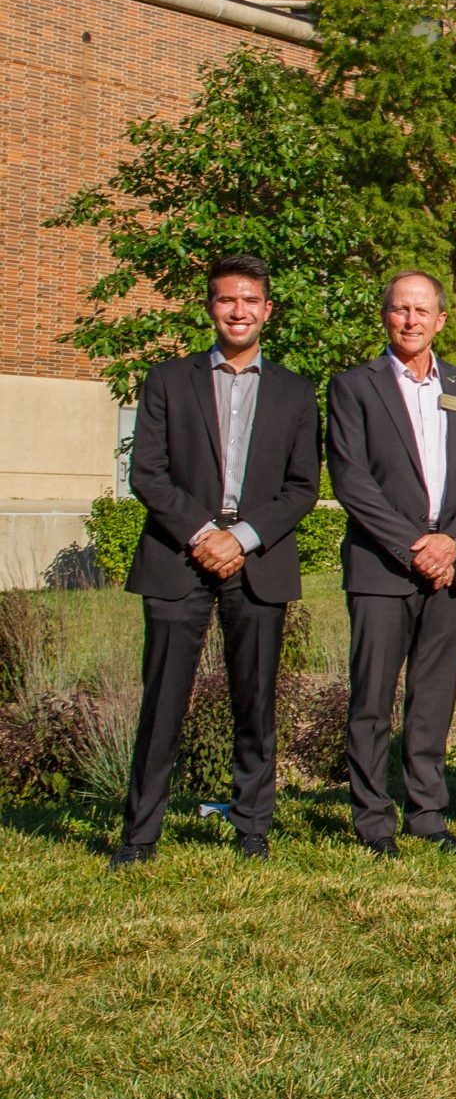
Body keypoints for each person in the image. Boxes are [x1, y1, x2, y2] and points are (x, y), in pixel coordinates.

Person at [111, 255, 321, 869]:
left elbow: (302, 487)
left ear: (267, 310)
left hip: (258, 563)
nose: (238, 310)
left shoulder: (295, 391)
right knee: (163, 702)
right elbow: (147, 473)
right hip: (178, 558)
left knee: (254, 700)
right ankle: (139, 835)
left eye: (250, 300)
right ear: (210, 307)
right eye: (227, 299)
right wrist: (206, 533)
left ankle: (252, 826)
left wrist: (242, 538)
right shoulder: (166, 381)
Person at [331, 272, 456, 859]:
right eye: (400, 309)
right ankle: (373, 820)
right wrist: (415, 546)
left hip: (452, 569)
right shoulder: (354, 386)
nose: (411, 320)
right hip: (382, 567)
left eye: (421, 311)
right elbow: (352, 480)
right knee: (372, 699)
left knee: (433, 697)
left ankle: (427, 816)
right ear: (386, 315)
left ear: (440, 320)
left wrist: (451, 543)